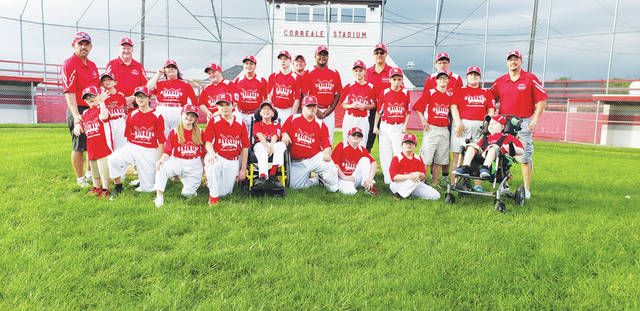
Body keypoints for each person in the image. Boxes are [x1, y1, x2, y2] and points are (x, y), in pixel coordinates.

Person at [490, 50, 548, 199]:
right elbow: (489, 97)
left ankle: (526, 189)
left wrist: (535, 119)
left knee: (523, 157)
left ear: (521, 61)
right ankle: (504, 183)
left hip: (523, 123)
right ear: (507, 62)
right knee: (502, 154)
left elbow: (542, 100)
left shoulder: (530, 78)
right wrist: (492, 116)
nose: (513, 62)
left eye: (516, 59)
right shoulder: (500, 81)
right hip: (504, 123)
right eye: (510, 60)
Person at [109, 86, 165, 196]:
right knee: (113, 159)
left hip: (149, 150)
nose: (140, 99)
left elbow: (161, 141)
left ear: (149, 98)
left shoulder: (157, 115)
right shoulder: (132, 115)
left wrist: (159, 160)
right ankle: (118, 186)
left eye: (143, 96)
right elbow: (128, 137)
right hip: (133, 146)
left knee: (148, 188)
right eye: (138, 96)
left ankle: (143, 178)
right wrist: (131, 156)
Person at [61, 31, 99, 187]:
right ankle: (80, 178)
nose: (83, 47)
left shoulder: (92, 65)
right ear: (73, 45)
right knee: (79, 144)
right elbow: (69, 92)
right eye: (80, 44)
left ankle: (90, 173)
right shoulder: (69, 64)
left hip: (92, 108)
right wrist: (76, 116)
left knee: (93, 142)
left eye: (86, 44)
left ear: (90, 46)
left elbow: (96, 89)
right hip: (77, 108)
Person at [450, 66, 495, 189]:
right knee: (457, 154)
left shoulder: (486, 92)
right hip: (462, 125)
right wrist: (458, 122)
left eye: (476, 74)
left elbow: (491, 109)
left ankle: (477, 185)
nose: (474, 76)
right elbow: (453, 107)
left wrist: (488, 122)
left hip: (479, 126)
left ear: (480, 77)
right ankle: (455, 183)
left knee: (477, 156)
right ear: (467, 77)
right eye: (471, 74)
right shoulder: (460, 90)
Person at [281, 95, 339, 192]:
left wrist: (327, 154)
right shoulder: (293, 119)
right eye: (309, 106)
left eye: (314, 106)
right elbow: (283, 130)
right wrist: (285, 134)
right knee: (294, 186)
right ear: (303, 106)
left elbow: (326, 144)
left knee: (328, 164)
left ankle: (334, 184)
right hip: (296, 162)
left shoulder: (321, 124)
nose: (312, 108)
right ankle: (316, 181)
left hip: (313, 158)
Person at [154, 104, 205, 208]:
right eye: (187, 114)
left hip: (194, 164)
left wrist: (204, 168)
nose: (189, 117)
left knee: (188, 194)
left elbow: (203, 153)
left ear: (195, 118)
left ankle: (186, 182)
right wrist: (161, 160)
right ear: (182, 114)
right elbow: (167, 151)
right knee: (161, 167)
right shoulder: (175, 131)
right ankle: (159, 197)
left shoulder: (200, 132)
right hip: (179, 161)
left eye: (193, 116)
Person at [203, 93, 249, 206]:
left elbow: (245, 148)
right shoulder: (214, 121)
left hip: (233, 160)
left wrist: (243, 169)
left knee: (225, 193)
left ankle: (212, 183)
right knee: (212, 163)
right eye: (220, 105)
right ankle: (213, 198)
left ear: (233, 106)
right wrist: (212, 153)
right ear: (217, 108)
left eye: (227, 104)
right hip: (218, 156)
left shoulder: (241, 123)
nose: (224, 108)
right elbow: (208, 142)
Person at [413, 70, 453, 186]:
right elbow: (417, 107)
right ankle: (421, 182)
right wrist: (423, 120)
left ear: (448, 81)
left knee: (439, 160)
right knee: (426, 158)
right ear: (436, 80)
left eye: (445, 78)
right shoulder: (430, 92)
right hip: (432, 129)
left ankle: (435, 184)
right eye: (440, 78)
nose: (442, 80)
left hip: (444, 130)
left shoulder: (449, 95)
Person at [454, 115, 524, 179]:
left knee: (493, 148)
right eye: (490, 124)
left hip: (498, 159)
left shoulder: (507, 137)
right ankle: (466, 167)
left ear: (502, 127)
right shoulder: (485, 137)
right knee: (471, 146)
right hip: (483, 156)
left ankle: (485, 168)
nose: (491, 126)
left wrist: (511, 148)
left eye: (495, 124)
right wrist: (471, 146)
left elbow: (521, 150)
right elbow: (478, 148)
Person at [373, 67, 410, 184]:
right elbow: (379, 111)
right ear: (389, 79)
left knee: (398, 152)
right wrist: (375, 126)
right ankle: (388, 179)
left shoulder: (405, 92)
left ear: (402, 80)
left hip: (398, 126)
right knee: (385, 152)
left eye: (399, 79)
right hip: (385, 125)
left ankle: (399, 177)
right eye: (394, 79)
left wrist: (405, 125)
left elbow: (408, 112)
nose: (396, 82)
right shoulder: (384, 92)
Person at [302, 45, 342, 143]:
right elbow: (304, 94)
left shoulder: (334, 72)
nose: (322, 57)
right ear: (315, 56)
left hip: (329, 112)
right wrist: (316, 110)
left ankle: (326, 158)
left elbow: (338, 93)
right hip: (313, 111)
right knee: (312, 139)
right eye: (320, 54)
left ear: (328, 57)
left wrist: (330, 110)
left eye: (325, 55)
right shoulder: (309, 72)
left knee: (328, 140)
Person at [77, 86, 112, 198]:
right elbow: (80, 122)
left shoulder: (101, 108)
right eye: (87, 97)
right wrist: (77, 125)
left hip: (103, 146)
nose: (90, 99)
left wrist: (102, 102)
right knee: (94, 170)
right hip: (91, 146)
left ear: (98, 96)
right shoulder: (85, 112)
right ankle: (96, 187)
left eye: (92, 96)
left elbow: (105, 116)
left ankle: (105, 189)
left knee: (103, 170)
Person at [147, 59, 197, 137]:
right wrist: (158, 74)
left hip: (178, 110)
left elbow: (193, 102)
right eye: (168, 67)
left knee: (177, 137)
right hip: (162, 110)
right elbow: (149, 87)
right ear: (164, 70)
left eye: (173, 67)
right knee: (161, 137)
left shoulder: (185, 84)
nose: (171, 68)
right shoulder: (159, 83)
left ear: (177, 70)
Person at [389, 133, 440, 200]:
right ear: (402, 144)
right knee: (414, 179)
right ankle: (399, 195)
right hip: (398, 184)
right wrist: (410, 176)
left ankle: (408, 193)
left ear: (415, 145)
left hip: (414, 184)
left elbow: (423, 175)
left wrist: (418, 174)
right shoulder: (397, 158)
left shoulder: (418, 158)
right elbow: (394, 177)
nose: (409, 145)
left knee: (436, 195)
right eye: (406, 142)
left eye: (411, 143)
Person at [104, 37, 148, 112]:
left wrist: (133, 98)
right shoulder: (111, 64)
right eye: (124, 48)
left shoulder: (138, 66)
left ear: (132, 50)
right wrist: (121, 100)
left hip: (134, 106)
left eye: (129, 48)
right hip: (116, 108)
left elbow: (145, 86)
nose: (126, 51)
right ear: (119, 49)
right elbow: (105, 85)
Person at [332, 127, 378, 195]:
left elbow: (374, 163)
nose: (356, 137)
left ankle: (368, 187)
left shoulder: (361, 149)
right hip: (342, 178)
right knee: (351, 192)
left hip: (354, 177)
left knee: (365, 160)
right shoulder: (341, 145)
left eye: (359, 136)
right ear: (348, 137)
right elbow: (335, 165)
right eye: (353, 135)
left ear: (361, 139)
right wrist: (343, 176)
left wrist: (370, 179)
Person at [340, 60, 376, 147]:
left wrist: (365, 106)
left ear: (365, 71)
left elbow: (374, 104)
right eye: (356, 70)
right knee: (347, 143)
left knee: (362, 144)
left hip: (363, 119)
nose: (358, 73)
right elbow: (342, 104)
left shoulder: (370, 87)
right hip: (350, 118)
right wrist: (351, 106)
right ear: (353, 72)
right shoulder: (349, 86)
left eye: (360, 70)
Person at [252, 102, 287, 190]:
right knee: (261, 149)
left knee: (281, 145)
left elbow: (275, 136)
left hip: (273, 144)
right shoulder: (257, 124)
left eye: (269, 109)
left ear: (273, 113)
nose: (266, 111)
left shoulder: (276, 124)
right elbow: (260, 136)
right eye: (264, 109)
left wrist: (271, 146)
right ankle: (263, 176)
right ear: (260, 113)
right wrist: (266, 147)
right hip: (261, 144)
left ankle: (273, 174)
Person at [365, 43, 392, 151]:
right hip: (371, 110)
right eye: (377, 52)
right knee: (368, 141)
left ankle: (387, 167)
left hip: (386, 111)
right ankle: (366, 165)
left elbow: (398, 90)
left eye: (382, 52)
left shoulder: (392, 72)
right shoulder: (367, 72)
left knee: (385, 143)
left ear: (386, 54)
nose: (379, 55)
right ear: (373, 54)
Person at [231, 55, 268, 133]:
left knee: (254, 139)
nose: (248, 66)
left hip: (255, 114)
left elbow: (265, 99)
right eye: (246, 63)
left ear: (255, 66)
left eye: (251, 64)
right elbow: (234, 100)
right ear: (243, 65)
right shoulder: (238, 80)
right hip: (241, 113)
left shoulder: (262, 80)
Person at [267, 50, 301, 124]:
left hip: (288, 111)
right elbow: (269, 96)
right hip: (275, 110)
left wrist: (292, 115)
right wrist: (270, 112)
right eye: (281, 59)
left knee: (286, 134)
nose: (283, 61)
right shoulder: (273, 76)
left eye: (285, 59)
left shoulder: (296, 77)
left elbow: (297, 99)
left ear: (290, 61)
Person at [99, 72, 128, 151]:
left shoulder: (121, 95)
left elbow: (125, 111)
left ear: (115, 82)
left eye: (110, 79)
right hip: (109, 123)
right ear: (102, 84)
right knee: (110, 148)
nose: (107, 82)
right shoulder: (101, 97)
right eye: (104, 80)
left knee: (123, 147)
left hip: (121, 122)